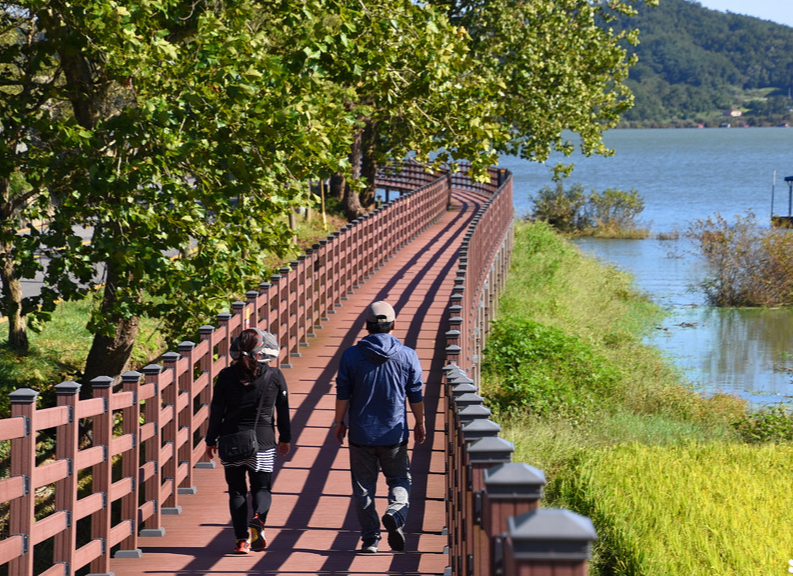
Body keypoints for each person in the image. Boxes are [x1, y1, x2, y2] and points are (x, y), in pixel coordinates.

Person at [334, 300, 426, 553]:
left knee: (363, 487)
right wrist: (420, 422)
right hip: (394, 432)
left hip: (361, 433)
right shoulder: (407, 354)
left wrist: (339, 422)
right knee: (399, 478)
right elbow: (415, 393)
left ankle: (370, 539)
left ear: (366, 326)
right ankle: (396, 511)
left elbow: (343, 392)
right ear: (394, 325)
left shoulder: (351, 355)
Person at [205, 328, 291, 554]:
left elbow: (216, 411)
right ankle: (258, 519)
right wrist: (285, 438)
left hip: (231, 442)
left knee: (236, 491)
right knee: (261, 488)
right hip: (262, 442)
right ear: (261, 351)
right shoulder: (274, 376)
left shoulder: (225, 376)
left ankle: (241, 540)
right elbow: (283, 410)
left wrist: (210, 439)